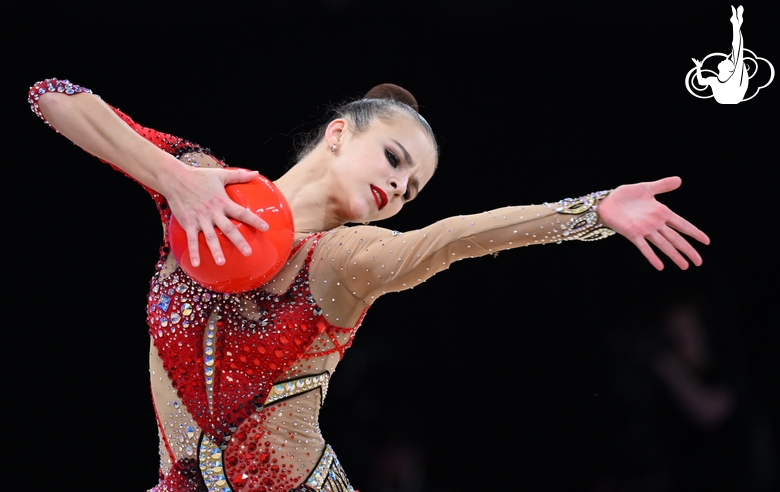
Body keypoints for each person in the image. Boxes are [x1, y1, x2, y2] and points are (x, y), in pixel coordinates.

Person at [29, 78, 709, 492]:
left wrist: (590, 212)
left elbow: (450, 240)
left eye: (411, 188)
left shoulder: (345, 259)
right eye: (392, 157)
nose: (397, 187)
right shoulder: (207, 192)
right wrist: (174, 181)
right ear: (335, 135)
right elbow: (51, 95)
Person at [692, 5, 748, 104]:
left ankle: (736, 24)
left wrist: (698, 68)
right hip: (731, 97)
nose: (724, 59)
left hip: (732, 96)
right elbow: (700, 82)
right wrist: (698, 67)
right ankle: (736, 24)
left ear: (729, 69)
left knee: (737, 51)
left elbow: (738, 50)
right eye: (728, 60)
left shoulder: (728, 78)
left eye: (727, 61)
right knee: (737, 52)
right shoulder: (716, 79)